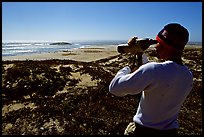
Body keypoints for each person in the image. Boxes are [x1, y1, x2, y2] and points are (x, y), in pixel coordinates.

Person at [109, 23, 193, 135]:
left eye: (158, 43)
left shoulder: (154, 70)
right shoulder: (188, 75)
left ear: (165, 45)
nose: (155, 46)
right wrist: (138, 52)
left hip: (144, 131)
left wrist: (128, 68)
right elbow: (156, 75)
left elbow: (114, 88)